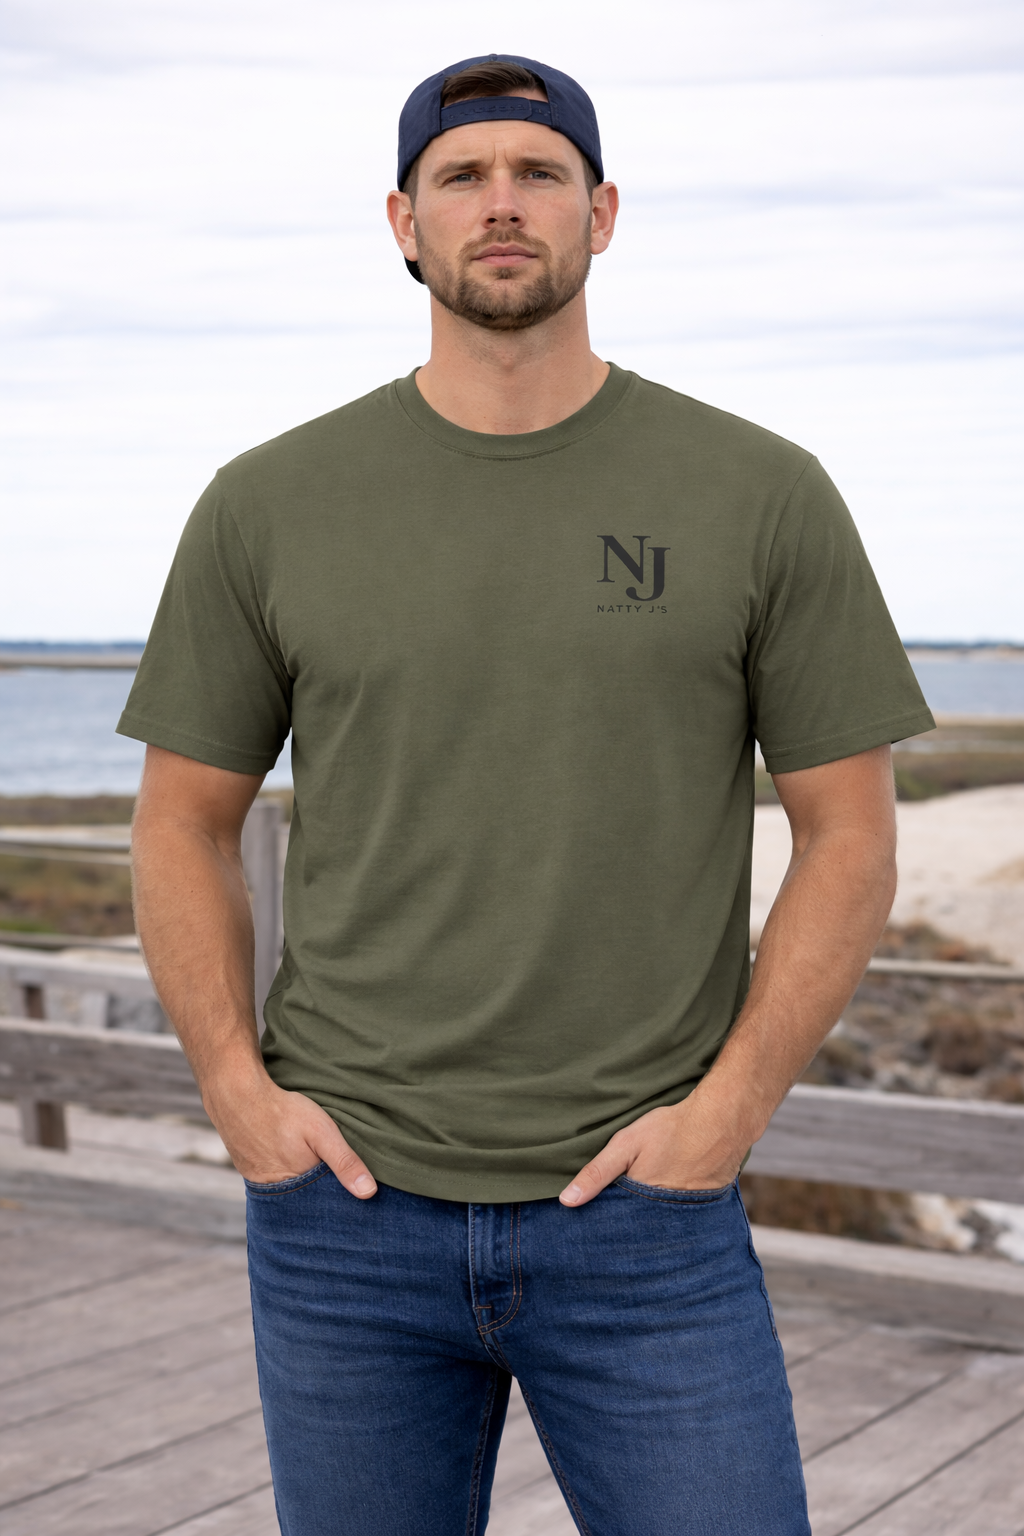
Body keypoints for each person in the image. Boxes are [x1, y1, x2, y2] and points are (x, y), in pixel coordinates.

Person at [120, 53, 934, 1536]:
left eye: (539, 172)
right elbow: (181, 821)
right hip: (344, 1216)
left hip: (649, 1219)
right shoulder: (268, 503)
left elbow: (850, 834)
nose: (503, 203)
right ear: (402, 222)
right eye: (463, 175)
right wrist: (240, 1098)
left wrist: (724, 1118)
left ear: (602, 213)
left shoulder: (760, 492)